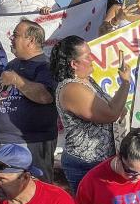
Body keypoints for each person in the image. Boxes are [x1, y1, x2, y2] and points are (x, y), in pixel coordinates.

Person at [50, 35, 132, 192]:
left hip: (98, 160)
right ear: (74, 64)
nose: (93, 58)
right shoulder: (72, 89)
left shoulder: (86, 81)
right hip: (86, 163)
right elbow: (111, 113)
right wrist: (126, 83)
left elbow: (113, 108)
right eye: (87, 56)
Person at [0, 20, 58, 178]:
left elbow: (45, 96)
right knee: (2, 190)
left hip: (30, 143)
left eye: (16, 35)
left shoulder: (45, 66)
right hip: (0, 140)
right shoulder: (12, 64)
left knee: (33, 191)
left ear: (31, 40)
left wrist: (16, 80)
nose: (11, 39)